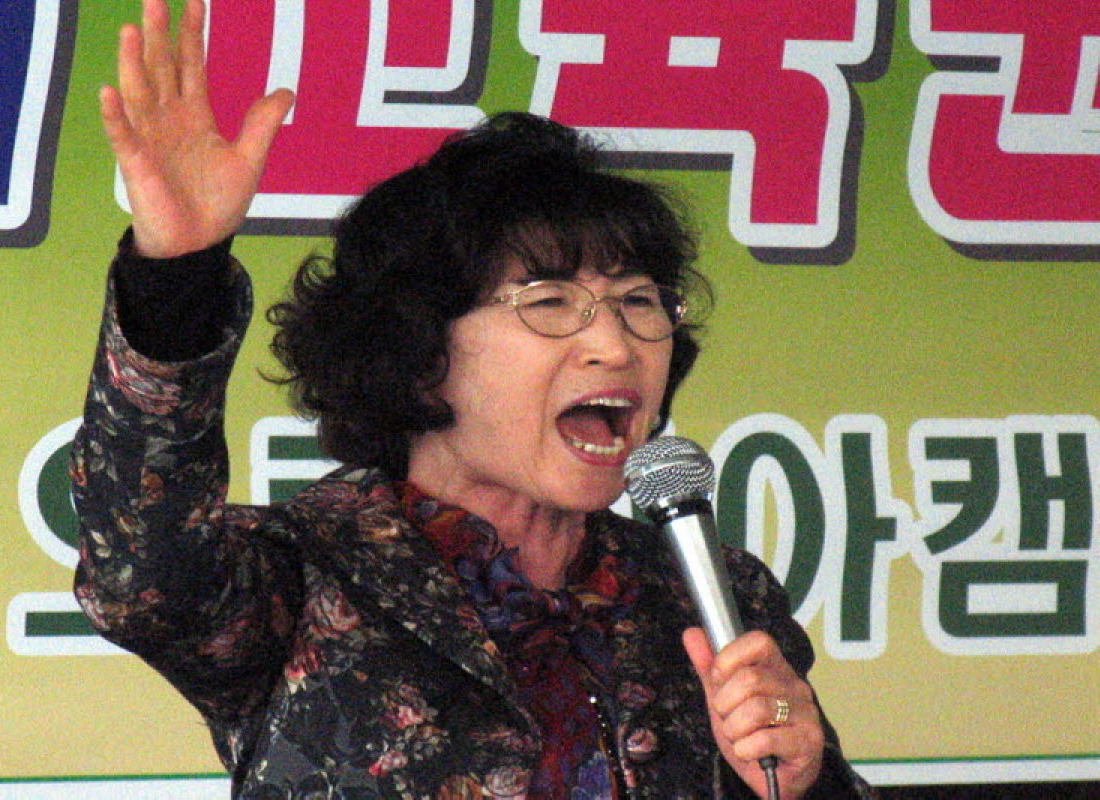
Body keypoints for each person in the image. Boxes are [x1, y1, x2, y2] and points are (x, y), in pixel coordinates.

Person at [72, 1, 875, 797]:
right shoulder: (307, 574)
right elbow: (142, 578)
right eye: (550, 301)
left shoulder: (712, 595)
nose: (616, 345)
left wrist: (805, 781)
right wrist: (176, 275)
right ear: (421, 349)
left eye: (638, 301)